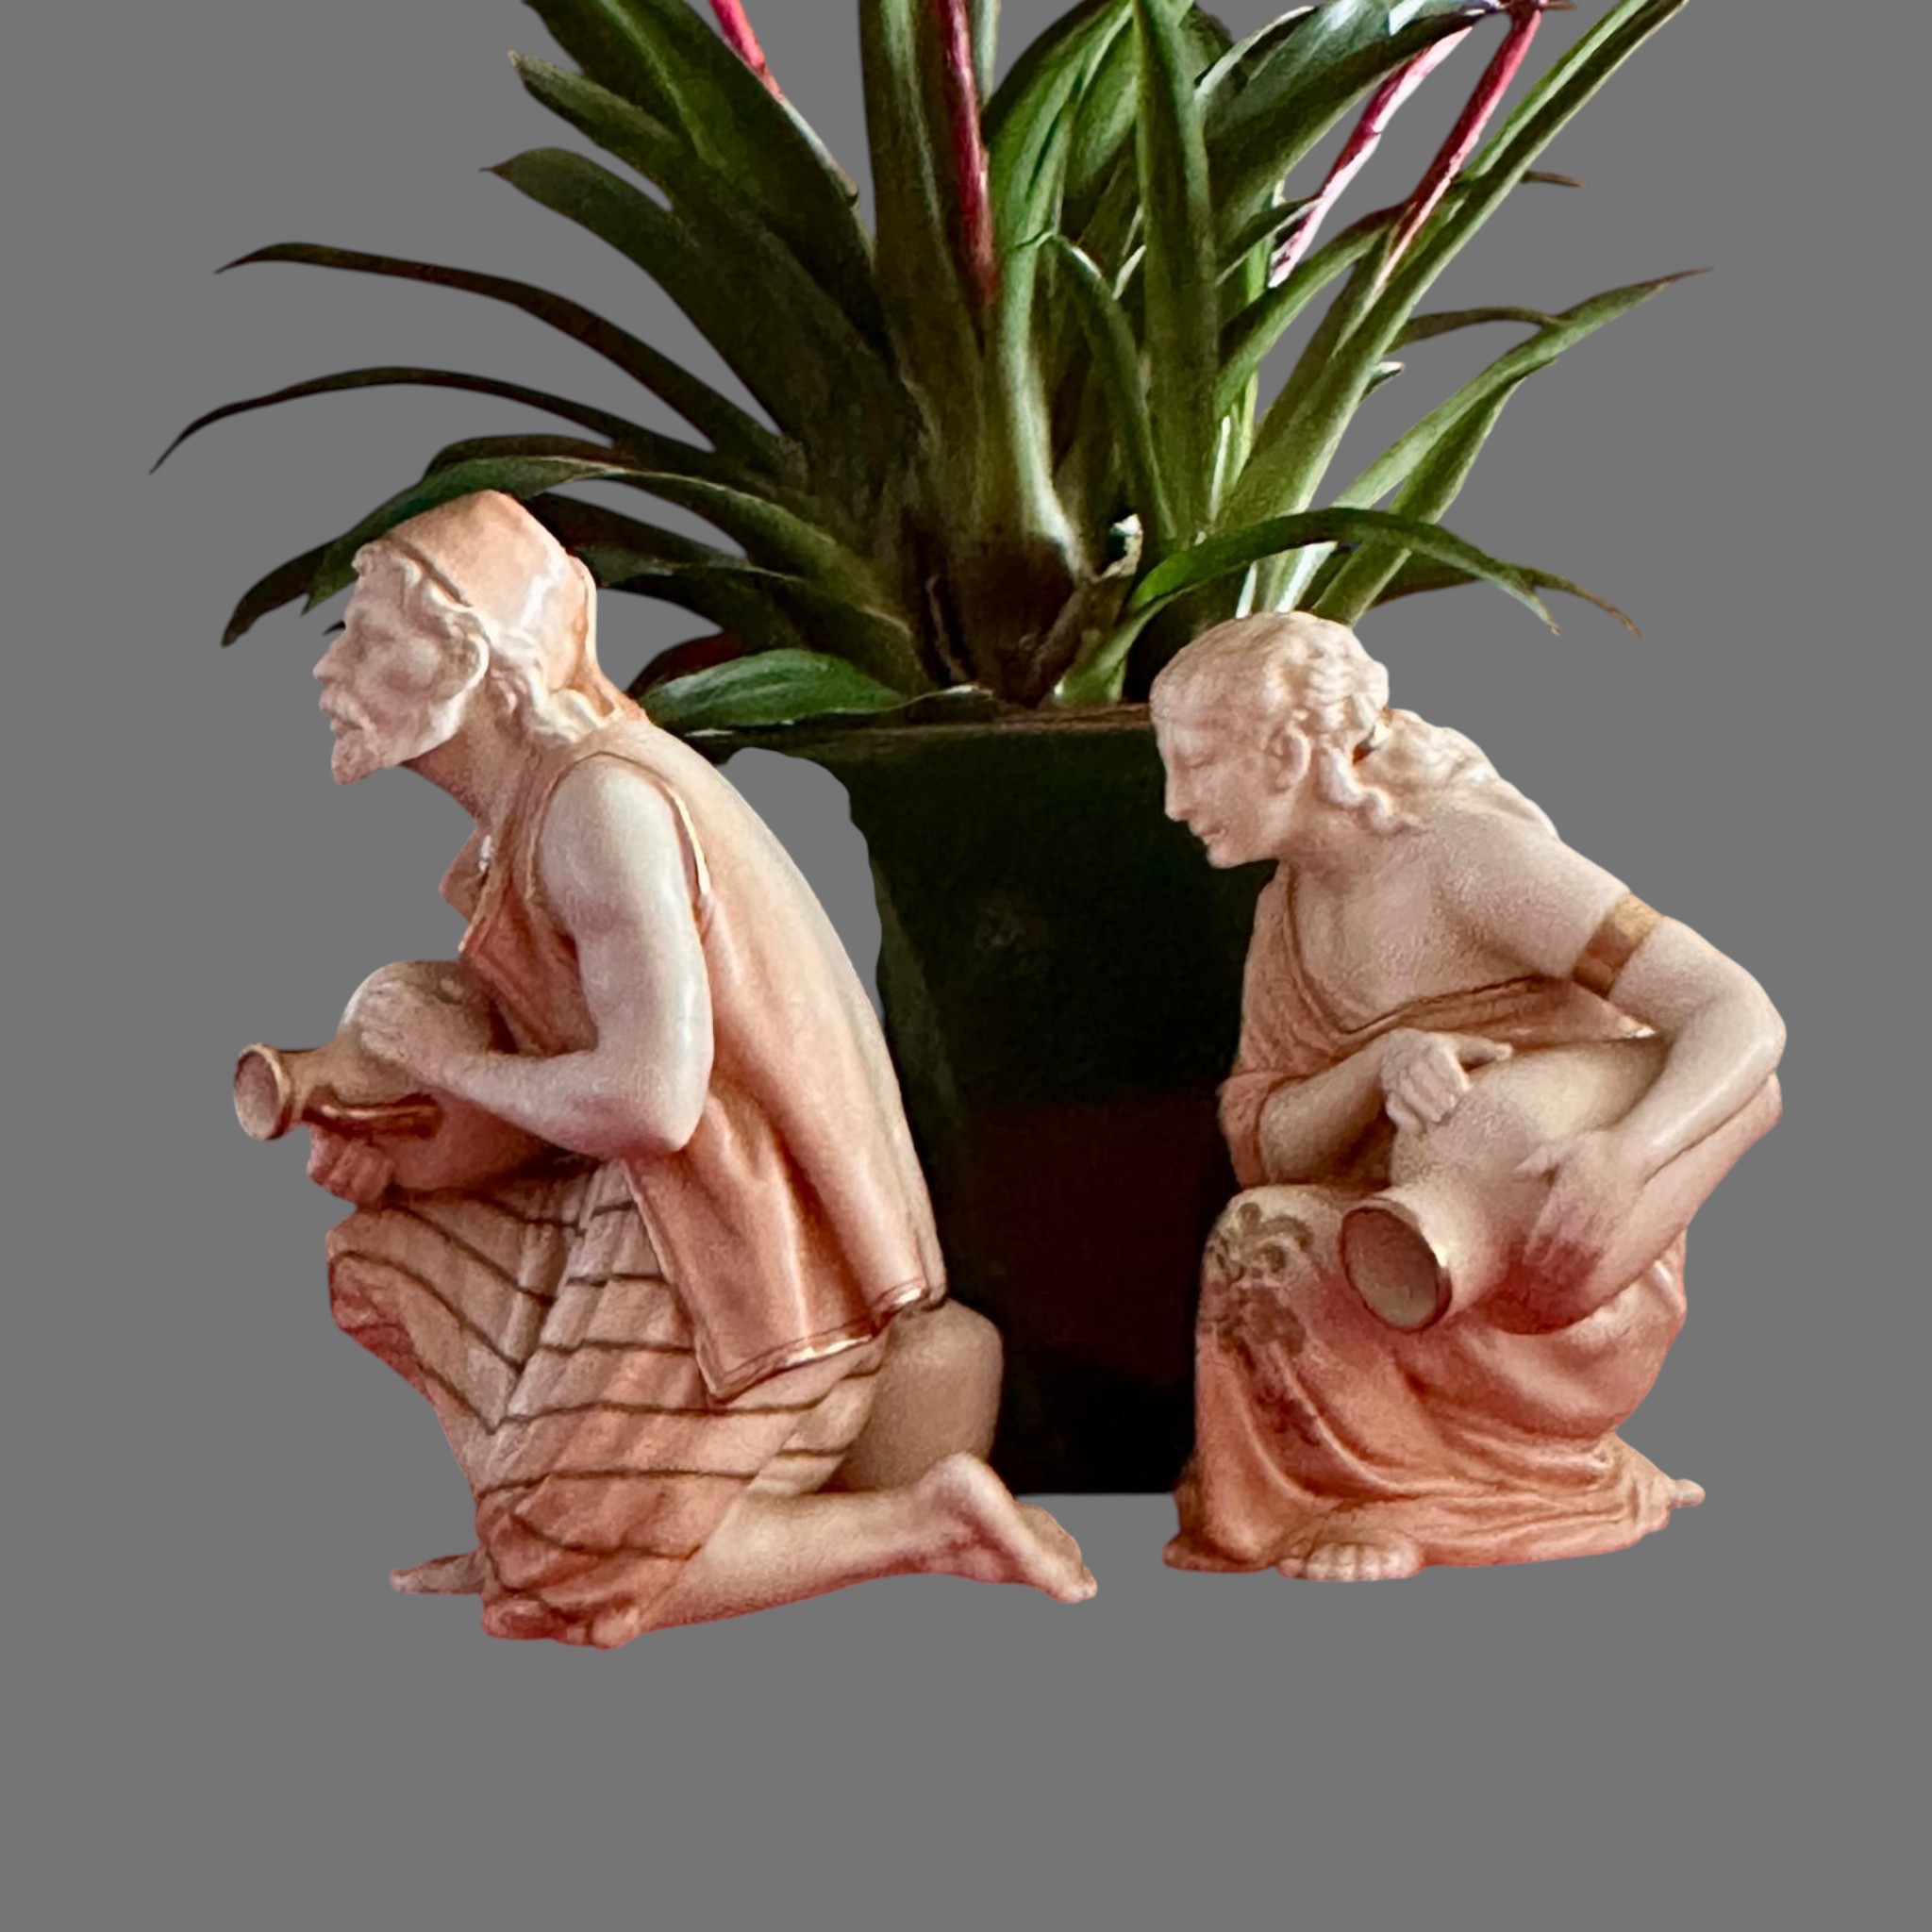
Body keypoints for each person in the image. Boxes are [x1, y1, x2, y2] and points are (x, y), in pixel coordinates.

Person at [304, 489, 1092, 1643]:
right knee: (384, 1257)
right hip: (649, 1206)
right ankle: (569, 1507)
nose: (331, 668)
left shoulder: (599, 812)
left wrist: (454, 1065)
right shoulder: (529, 819)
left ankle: (911, 1522)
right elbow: (551, 1114)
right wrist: (406, 1141)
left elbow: (649, 1100)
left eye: (371, 638)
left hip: (753, 1246)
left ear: (469, 661)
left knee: (557, 1596)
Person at [1151, 612, 1784, 1580]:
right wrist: (1378, 1065)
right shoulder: (1289, 908)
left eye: (1195, 764)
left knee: (1425, 1174)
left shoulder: (1469, 857)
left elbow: (1735, 1009)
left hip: (1554, 1249)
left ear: (1286, 751)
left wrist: (1628, 1155)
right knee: (1259, 1234)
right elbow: (1267, 1147)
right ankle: (1368, 1492)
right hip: (1398, 1244)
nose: (1173, 801)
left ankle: (1426, 1498)